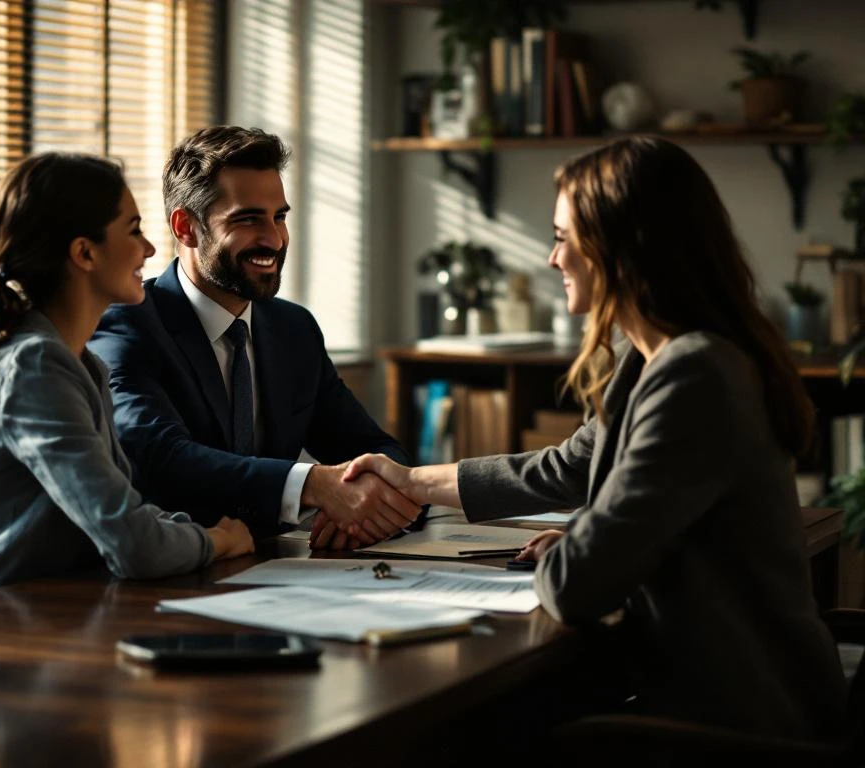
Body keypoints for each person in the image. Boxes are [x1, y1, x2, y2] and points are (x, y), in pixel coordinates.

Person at [343, 137, 846, 739]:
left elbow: (577, 585)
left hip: (745, 722)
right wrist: (409, 480)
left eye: (561, 236)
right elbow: (570, 467)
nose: (551, 259)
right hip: (705, 694)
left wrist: (583, 541)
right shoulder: (652, 356)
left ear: (620, 246)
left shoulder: (697, 374)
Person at [0, 153, 253, 600]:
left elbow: (123, 513)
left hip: (49, 610)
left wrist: (194, 534)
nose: (149, 249)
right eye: (133, 230)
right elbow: (133, 545)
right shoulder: (35, 367)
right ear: (84, 252)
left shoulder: (81, 364)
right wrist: (218, 541)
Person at [88, 126, 420, 548]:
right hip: (171, 572)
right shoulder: (127, 323)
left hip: (279, 572)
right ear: (186, 228)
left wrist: (375, 501)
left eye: (279, 217)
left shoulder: (293, 329)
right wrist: (313, 486)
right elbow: (156, 455)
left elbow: (374, 446)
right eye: (248, 219)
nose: (274, 238)